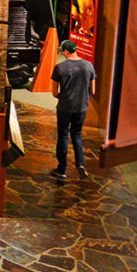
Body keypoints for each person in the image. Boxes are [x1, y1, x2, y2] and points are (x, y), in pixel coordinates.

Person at [50, 40, 97, 179]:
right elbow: (93, 91)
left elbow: (54, 92)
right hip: (81, 107)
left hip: (65, 107)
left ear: (66, 52)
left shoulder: (59, 67)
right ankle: (80, 164)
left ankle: (62, 169)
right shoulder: (89, 65)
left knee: (63, 136)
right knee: (76, 135)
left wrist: (62, 96)